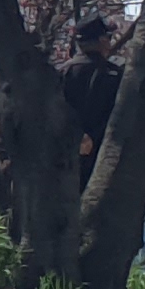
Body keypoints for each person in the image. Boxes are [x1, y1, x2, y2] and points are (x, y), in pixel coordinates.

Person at [59, 15, 124, 177]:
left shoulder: (62, 73)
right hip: (102, 159)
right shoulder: (114, 75)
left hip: (64, 160)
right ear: (102, 40)